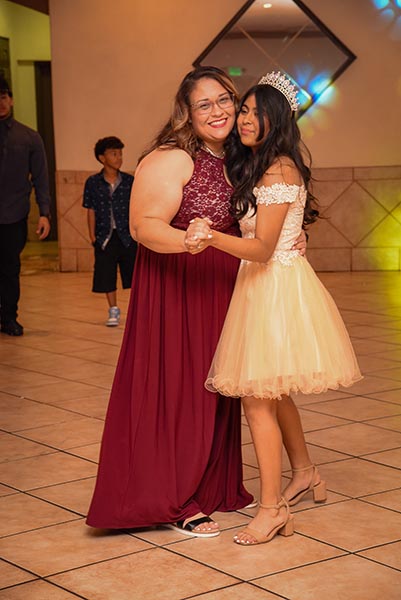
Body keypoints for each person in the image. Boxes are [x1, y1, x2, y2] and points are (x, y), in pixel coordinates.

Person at [86, 67, 306, 537]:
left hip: (229, 286)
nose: (219, 111)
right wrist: (192, 241)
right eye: (204, 104)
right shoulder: (171, 157)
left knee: (220, 390)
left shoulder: (242, 156)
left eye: (225, 99)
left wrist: (293, 235)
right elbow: (144, 226)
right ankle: (173, 496)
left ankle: (210, 484)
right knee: (179, 388)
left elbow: (266, 213)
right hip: (179, 288)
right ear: (186, 112)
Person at [185, 72, 362, 546]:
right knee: (276, 392)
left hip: (273, 285)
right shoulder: (261, 165)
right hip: (263, 283)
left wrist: (209, 234)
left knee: (257, 400)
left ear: (277, 119)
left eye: (256, 112)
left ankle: (271, 509)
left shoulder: (279, 168)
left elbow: (261, 248)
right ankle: (304, 473)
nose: (244, 118)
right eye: (243, 109)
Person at [0, 76, 51, 336]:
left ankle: (9, 317)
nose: (1, 103)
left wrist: (44, 213)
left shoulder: (29, 137)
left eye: (4, 97)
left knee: (10, 268)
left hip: (14, 215)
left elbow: (41, 177)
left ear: (11, 99)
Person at [83, 136, 136, 327]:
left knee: (133, 273)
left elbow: (136, 207)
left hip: (127, 235)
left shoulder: (130, 181)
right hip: (105, 237)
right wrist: (92, 236)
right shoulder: (93, 183)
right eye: (114, 153)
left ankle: (135, 310)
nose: (119, 157)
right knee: (107, 274)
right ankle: (113, 309)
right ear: (102, 157)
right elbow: (90, 210)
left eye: (120, 153)